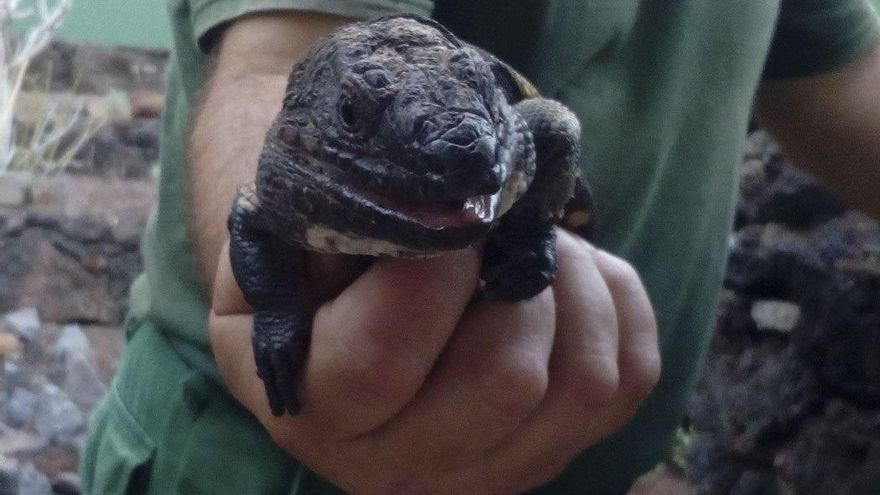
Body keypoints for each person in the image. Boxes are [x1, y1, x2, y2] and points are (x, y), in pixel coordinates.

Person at [80, 1, 880, 494]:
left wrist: (527, 221)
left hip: (593, 458)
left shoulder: (501, 137)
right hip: (263, 462)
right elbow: (279, 60)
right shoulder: (295, 174)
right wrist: (278, 314)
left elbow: (843, 76)